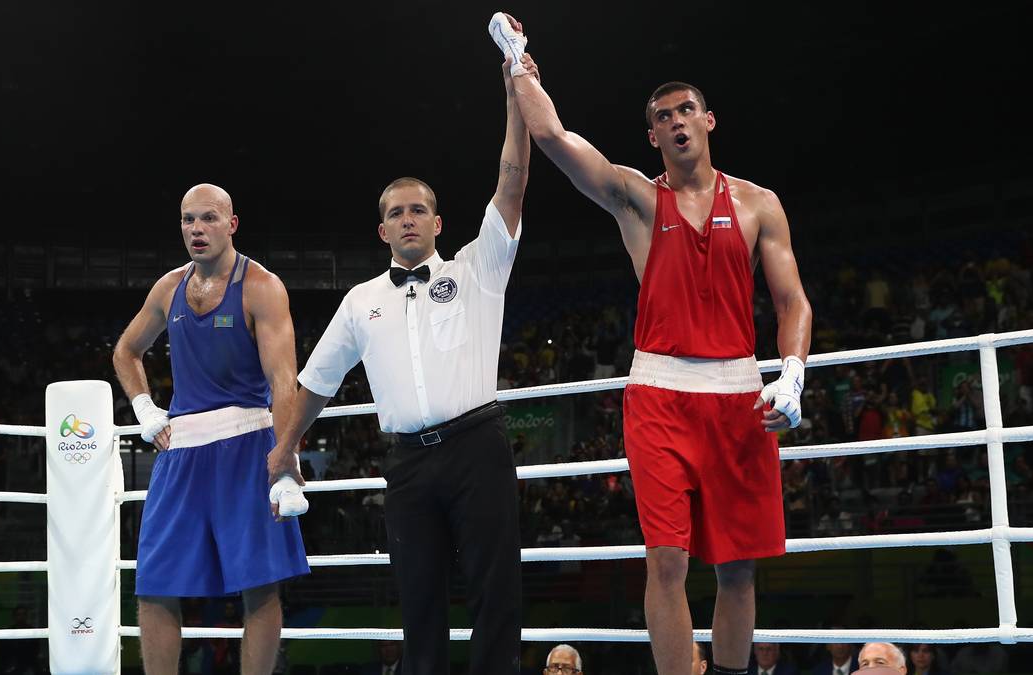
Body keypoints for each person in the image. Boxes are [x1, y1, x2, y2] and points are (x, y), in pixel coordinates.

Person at [491, 15, 812, 675]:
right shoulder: (637, 199)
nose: (676, 121)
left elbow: (792, 302)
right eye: (663, 115)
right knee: (666, 558)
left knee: (737, 566)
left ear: (709, 120)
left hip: (738, 394)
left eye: (686, 109)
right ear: (652, 134)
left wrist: (795, 375)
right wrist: (518, 63)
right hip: (659, 393)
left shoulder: (759, 204)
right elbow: (552, 135)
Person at [267, 47, 530, 674]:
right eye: (395, 212)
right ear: (381, 231)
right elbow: (316, 383)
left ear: (438, 222)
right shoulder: (360, 302)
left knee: (497, 592)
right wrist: (282, 451)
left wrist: (515, 94)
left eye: (417, 209)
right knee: (417, 602)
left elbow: (514, 177)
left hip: (477, 446)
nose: (407, 218)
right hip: (408, 463)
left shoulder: (478, 268)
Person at [113, 183, 310, 675]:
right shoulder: (168, 288)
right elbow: (126, 351)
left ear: (231, 224)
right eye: (187, 220)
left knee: (260, 584)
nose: (197, 230)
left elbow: (284, 378)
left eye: (208, 219)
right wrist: (144, 407)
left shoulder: (262, 287)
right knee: (155, 581)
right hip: (181, 449)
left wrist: (286, 457)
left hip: (248, 442)